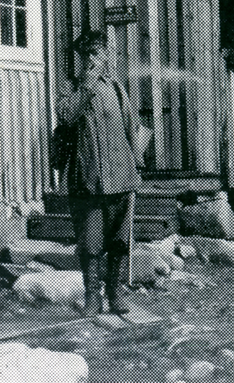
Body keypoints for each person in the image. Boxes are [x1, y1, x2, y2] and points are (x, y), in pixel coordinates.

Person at [56, 30, 142, 315]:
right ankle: (93, 295)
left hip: (122, 178)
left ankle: (115, 292)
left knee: (119, 240)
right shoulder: (72, 87)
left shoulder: (117, 88)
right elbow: (67, 116)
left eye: (96, 53)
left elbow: (132, 130)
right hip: (88, 179)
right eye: (86, 54)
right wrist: (87, 85)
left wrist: (136, 166)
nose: (91, 60)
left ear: (106, 56)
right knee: (90, 240)